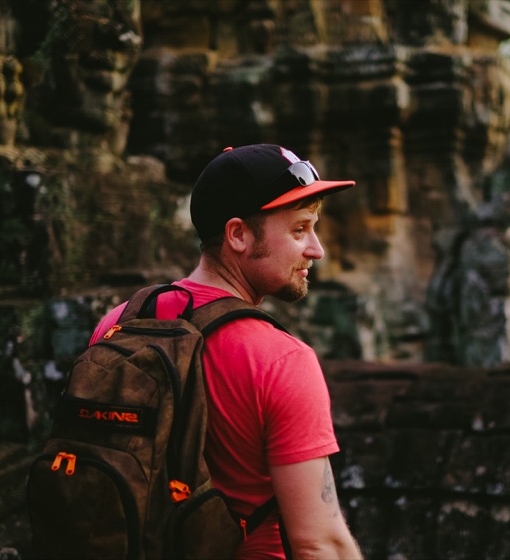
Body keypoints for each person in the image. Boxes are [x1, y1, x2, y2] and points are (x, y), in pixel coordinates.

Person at [90, 144, 364, 559]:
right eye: (298, 229)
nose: (316, 249)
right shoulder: (282, 361)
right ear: (238, 234)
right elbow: (319, 543)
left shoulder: (116, 324)